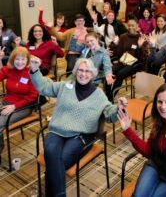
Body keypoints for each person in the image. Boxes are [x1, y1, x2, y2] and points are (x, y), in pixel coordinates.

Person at [29, 57, 126, 196]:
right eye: (80, 70)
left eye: (87, 71)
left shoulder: (99, 95)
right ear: (75, 72)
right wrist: (35, 70)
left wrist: (119, 108)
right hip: (56, 131)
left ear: (92, 74)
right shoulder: (65, 86)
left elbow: (109, 115)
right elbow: (44, 87)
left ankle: (49, 189)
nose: (83, 74)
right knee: (51, 152)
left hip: (80, 136)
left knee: (59, 161)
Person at [106, 17, 149, 101]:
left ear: (137, 26)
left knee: (120, 74)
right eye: (129, 26)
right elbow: (118, 52)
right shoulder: (123, 37)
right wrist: (114, 44)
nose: (130, 27)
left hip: (136, 63)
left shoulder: (141, 38)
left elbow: (143, 58)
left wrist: (140, 46)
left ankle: (111, 97)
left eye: (132, 25)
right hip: (123, 60)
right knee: (108, 71)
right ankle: (108, 94)